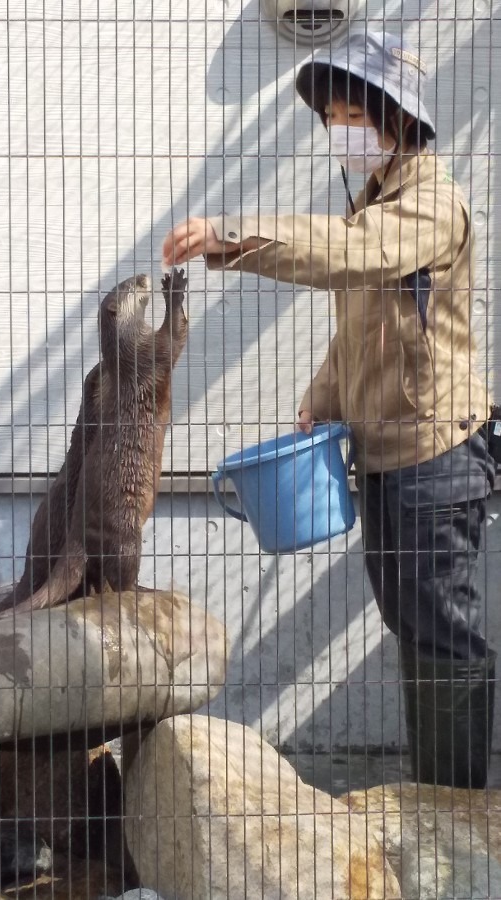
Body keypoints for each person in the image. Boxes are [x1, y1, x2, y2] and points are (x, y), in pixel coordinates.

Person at [162, 30, 497, 789]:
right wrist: (321, 398)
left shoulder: (429, 207)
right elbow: (360, 323)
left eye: (353, 114)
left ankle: (456, 809)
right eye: (332, 117)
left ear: (395, 119)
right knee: (414, 626)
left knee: (441, 635)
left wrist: (231, 237)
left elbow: (348, 253)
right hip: (382, 452)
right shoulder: (377, 201)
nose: (339, 131)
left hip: (435, 458)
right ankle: (435, 797)